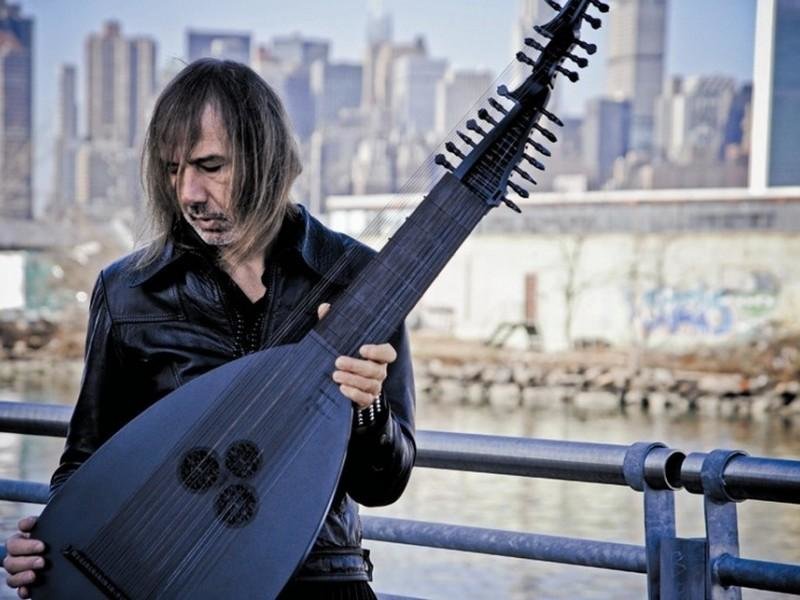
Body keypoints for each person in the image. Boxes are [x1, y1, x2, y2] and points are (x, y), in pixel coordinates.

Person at [3, 58, 416, 599]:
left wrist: (368, 407)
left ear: (267, 159)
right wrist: (52, 546)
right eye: (173, 169)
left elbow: (384, 485)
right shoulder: (129, 289)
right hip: (176, 578)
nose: (189, 193)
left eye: (211, 166)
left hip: (322, 579)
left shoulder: (359, 279)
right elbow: (86, 463)